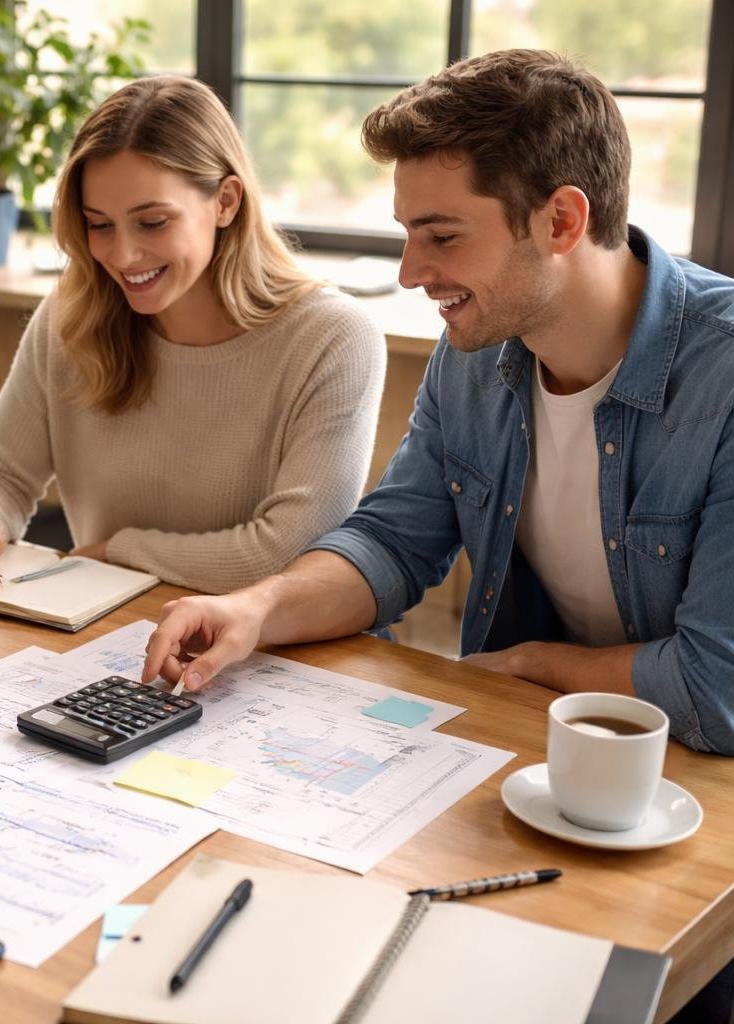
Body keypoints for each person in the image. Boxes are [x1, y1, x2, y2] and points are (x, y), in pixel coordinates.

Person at [143, 50, 734, 758]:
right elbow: (391, 543)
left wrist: (524, 664)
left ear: (562, 222)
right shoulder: (474, 355)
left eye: (442, 236)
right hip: (538, 751)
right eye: (407, 233)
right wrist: (253, 608)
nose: (410, 272)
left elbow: (716, 689)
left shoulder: (721, 375)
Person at [0, 75, 383, 593]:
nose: (121, 256)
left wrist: (118, 554)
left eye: (152, 222)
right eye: (100, 224)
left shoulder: (332, 337)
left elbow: (292, 552)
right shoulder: (71, 317)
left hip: (274, 653)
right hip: (113, 631)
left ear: (226, 201)